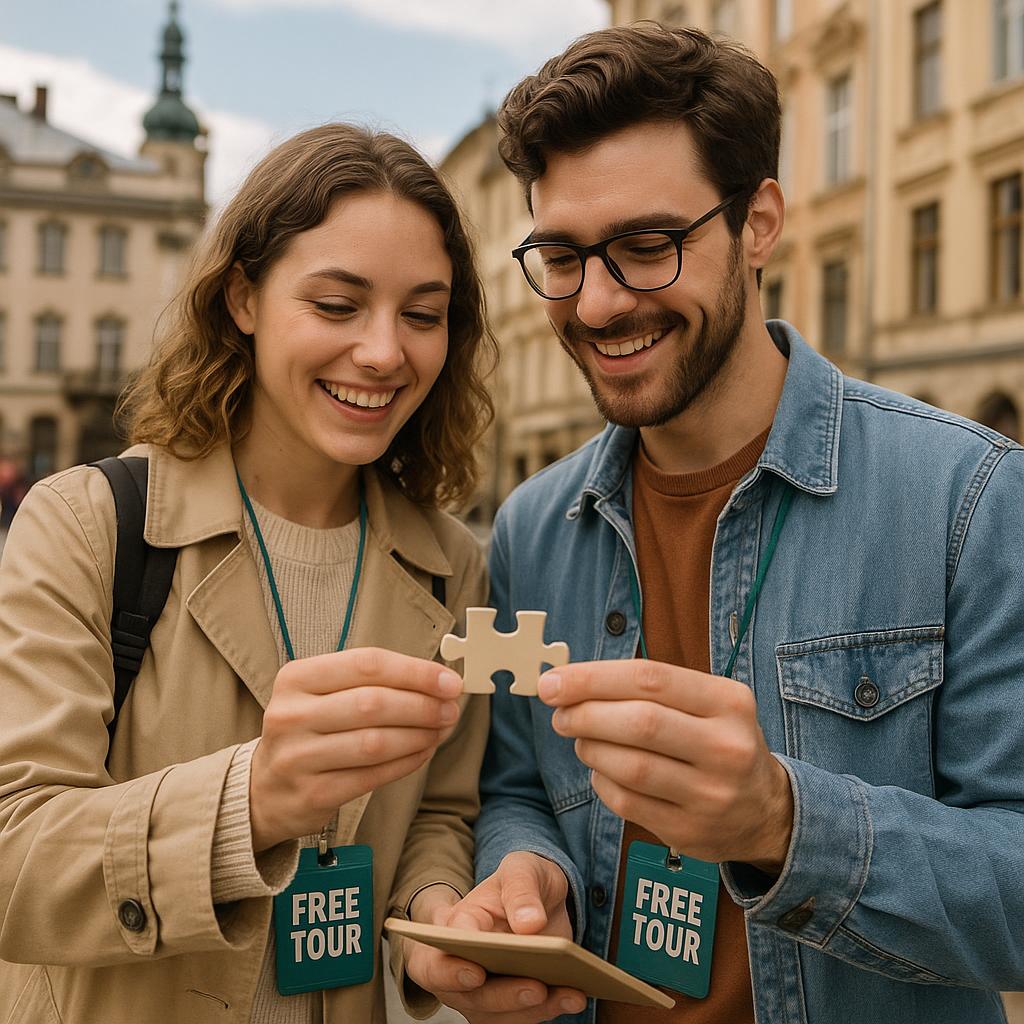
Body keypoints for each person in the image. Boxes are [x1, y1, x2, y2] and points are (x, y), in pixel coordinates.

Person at [403, 23, 1024, 1024]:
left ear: (758, 223)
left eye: (647, 248)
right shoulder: (531, 527)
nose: (596, 304)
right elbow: (517, 785)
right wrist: (526, 869)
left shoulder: (969, 498)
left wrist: (783, 823)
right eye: (561, 256)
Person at [0, 123, 497, 1023]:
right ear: (242, 299)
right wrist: (252, 802)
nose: (385, 352)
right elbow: (14, 855)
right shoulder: (86, 524)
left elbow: (439, 814)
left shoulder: (451, 566)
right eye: (338, 306)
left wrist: (437, 915)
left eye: (424, 315)